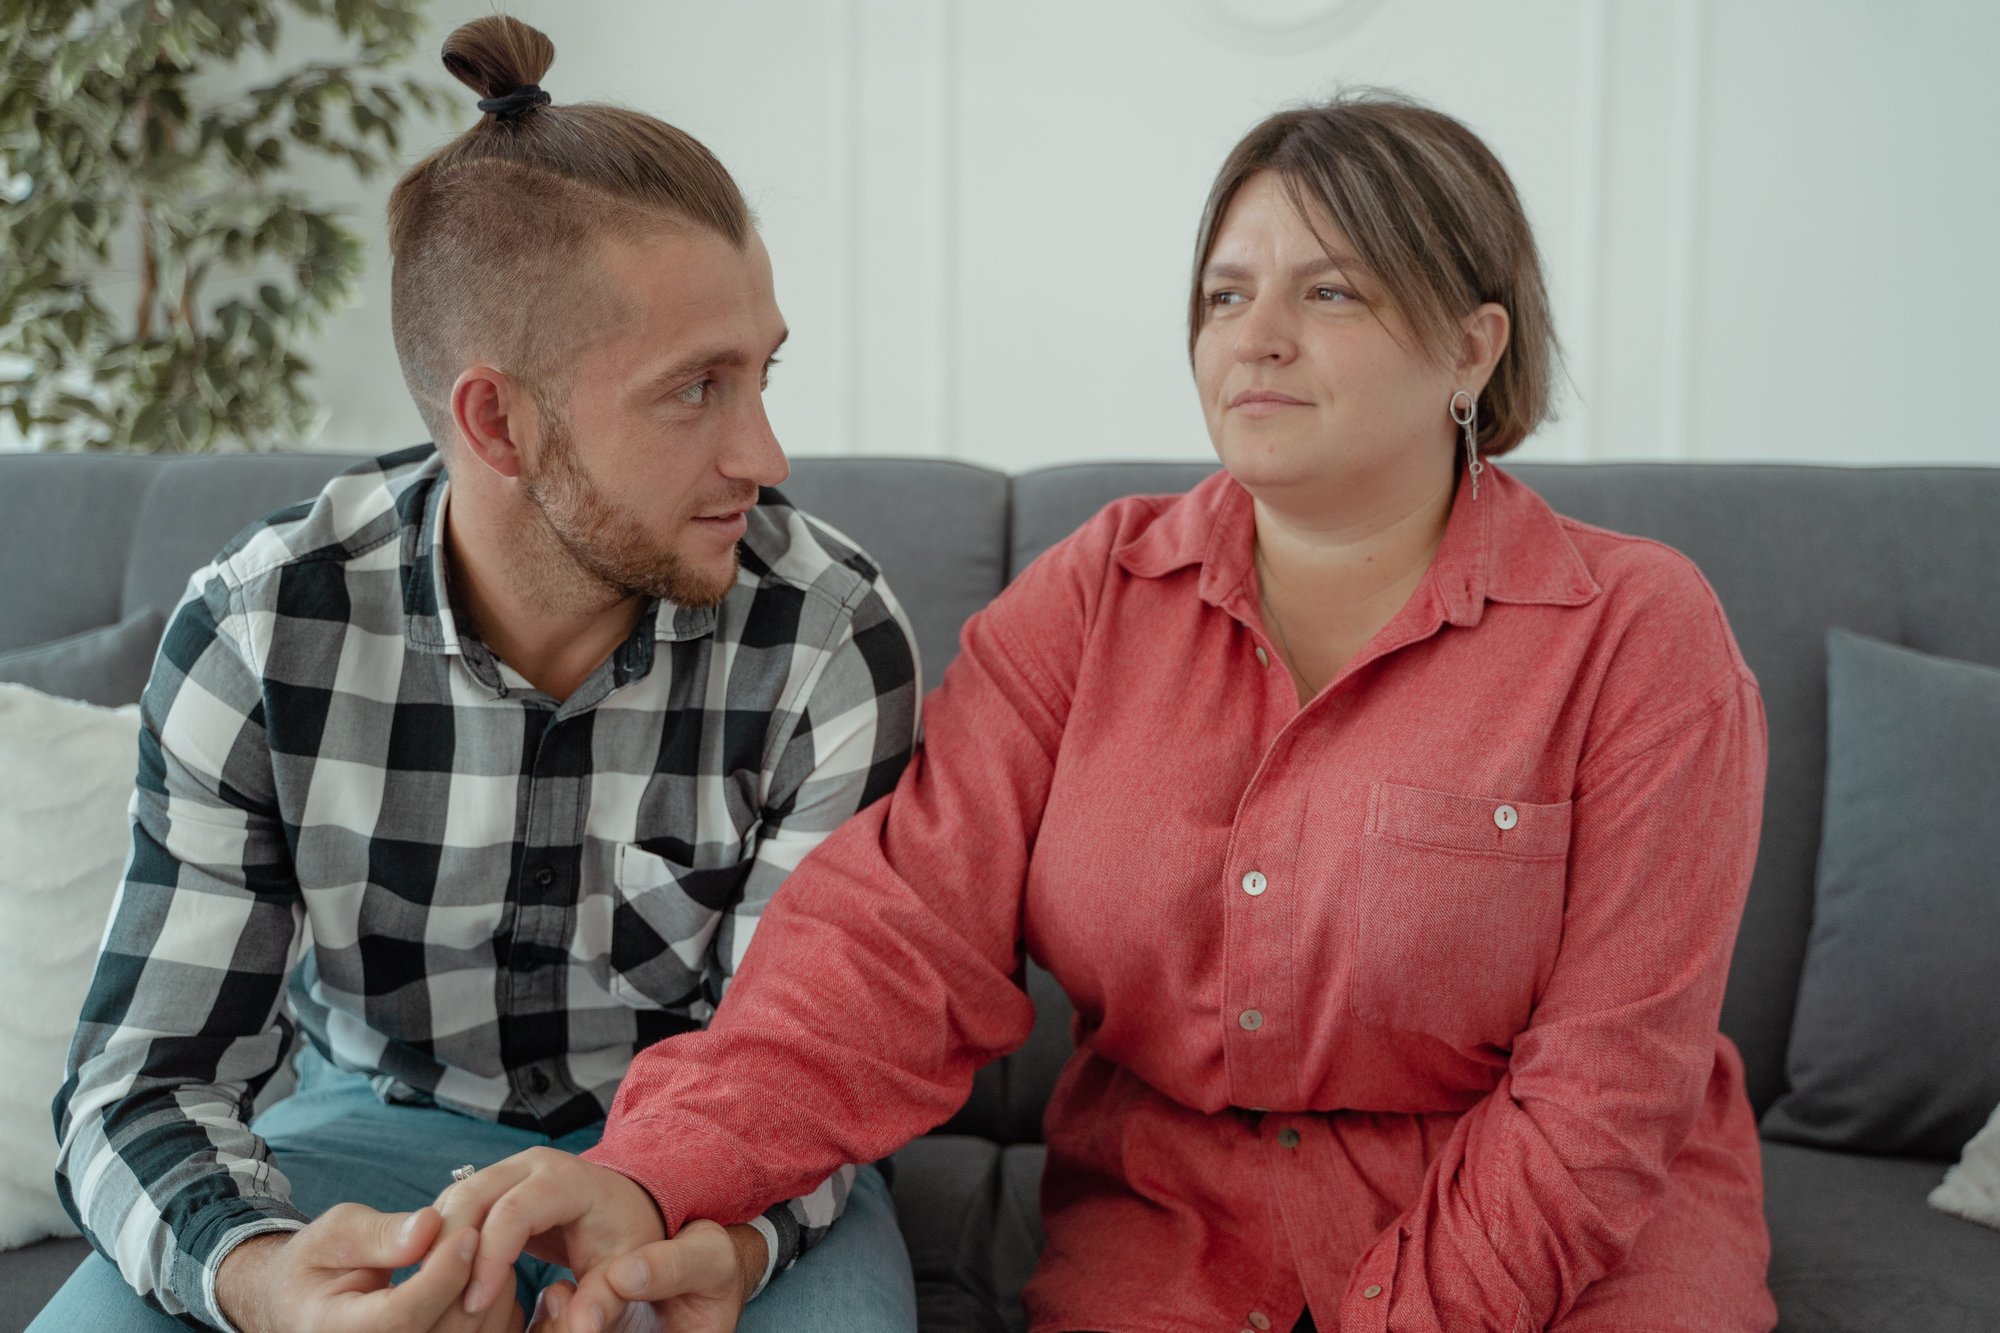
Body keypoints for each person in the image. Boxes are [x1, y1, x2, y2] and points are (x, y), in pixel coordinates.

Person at [447, 92, 1780, 1333]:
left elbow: (1606, 1093)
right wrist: (657, 1175)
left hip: (1569, 1255)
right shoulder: (1093, 598)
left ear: (1471, 349)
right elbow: (893, 943)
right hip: (1182, 1240)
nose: (1254, 334)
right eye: (1225, 293)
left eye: (1330, 290)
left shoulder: (1638, 631)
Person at [34, 16, 922, 1333]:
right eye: (699, 389)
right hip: (368, 1133)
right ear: (494, 419)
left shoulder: (829, 639)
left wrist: (702, 1227)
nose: (766, 453)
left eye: (763, 373)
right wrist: (266, 1275)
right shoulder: (259, 630)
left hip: (712, 1168)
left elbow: (805, 1064)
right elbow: (141, 1083)